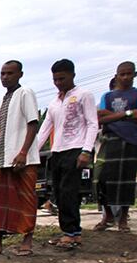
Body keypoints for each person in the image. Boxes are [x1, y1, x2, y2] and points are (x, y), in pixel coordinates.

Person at [0, 61, 41, 256]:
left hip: (21, 158)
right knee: (1, 200)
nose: (5, 77)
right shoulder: (3, 99)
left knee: (25, 198)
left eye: (9, 73)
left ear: (20, 74)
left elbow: (33, 123)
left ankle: (27, 240)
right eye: (2, 74)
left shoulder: (25, 93)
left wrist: (23, 152)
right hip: (3, 158)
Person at [37, 59, 99, 250]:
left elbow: (92, 123)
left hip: (76, 149)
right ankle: (67, 232)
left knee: (69, 192)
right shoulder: (54, 102)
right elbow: (45, 129)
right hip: (57, 151)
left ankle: (73, 233)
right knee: (57, 193)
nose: (58, 82)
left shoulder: (83, 95)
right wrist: (32, 152)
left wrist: (86, 150)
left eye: (62, 78)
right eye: (55, 79)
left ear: (72, 75)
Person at [95, 62, 137, 232]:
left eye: (129, 74)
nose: (126, 77)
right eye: (122, 74)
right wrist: (128, 113)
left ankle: (123, 219)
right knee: (101, 179)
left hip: (131, 140)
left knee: (126, 180)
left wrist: (113, 117)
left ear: (135, 74)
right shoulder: (107, 96)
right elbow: (100, 118)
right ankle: (108, 216)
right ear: (117, 75)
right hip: (109, 140)